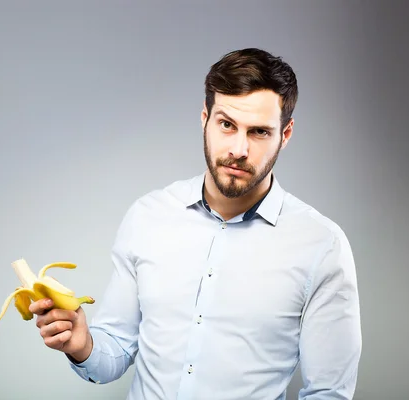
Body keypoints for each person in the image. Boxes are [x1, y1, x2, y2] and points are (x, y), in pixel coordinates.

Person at [28, 48, 362, 399]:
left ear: (286, 133)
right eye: (227, 125)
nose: (239, 149)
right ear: (205, 118)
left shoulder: (321, 246)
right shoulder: (149, 216)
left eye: (259, 132)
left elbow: (329, 392)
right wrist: (83, 345)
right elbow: (115, 351)